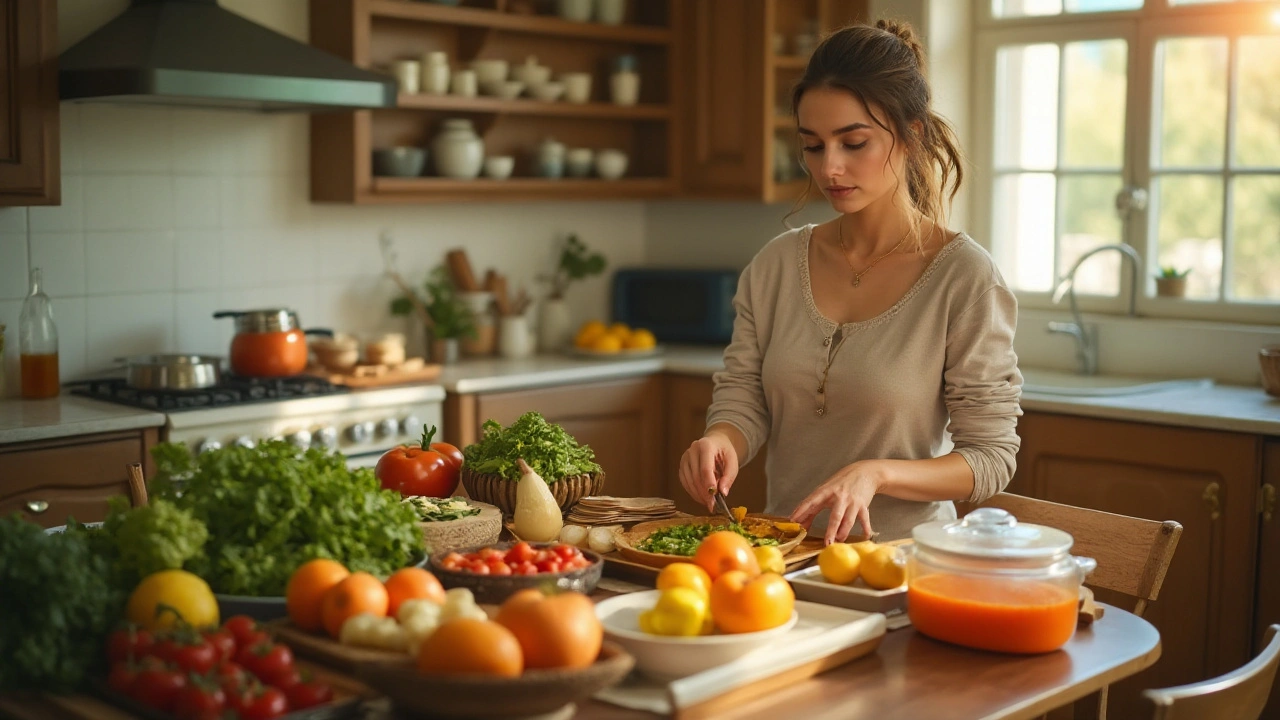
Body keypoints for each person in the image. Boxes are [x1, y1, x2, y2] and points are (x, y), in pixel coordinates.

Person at [677, 20, 1023, 544]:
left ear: (913, 136)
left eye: (853, 142)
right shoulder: (774, 266)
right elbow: (745, 395)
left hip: (904, 568)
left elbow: (991, 458)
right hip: (783, 557)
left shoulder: (964, 277)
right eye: (813, 146)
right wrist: (721, 437)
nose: (830, 168)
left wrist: (878, 472)